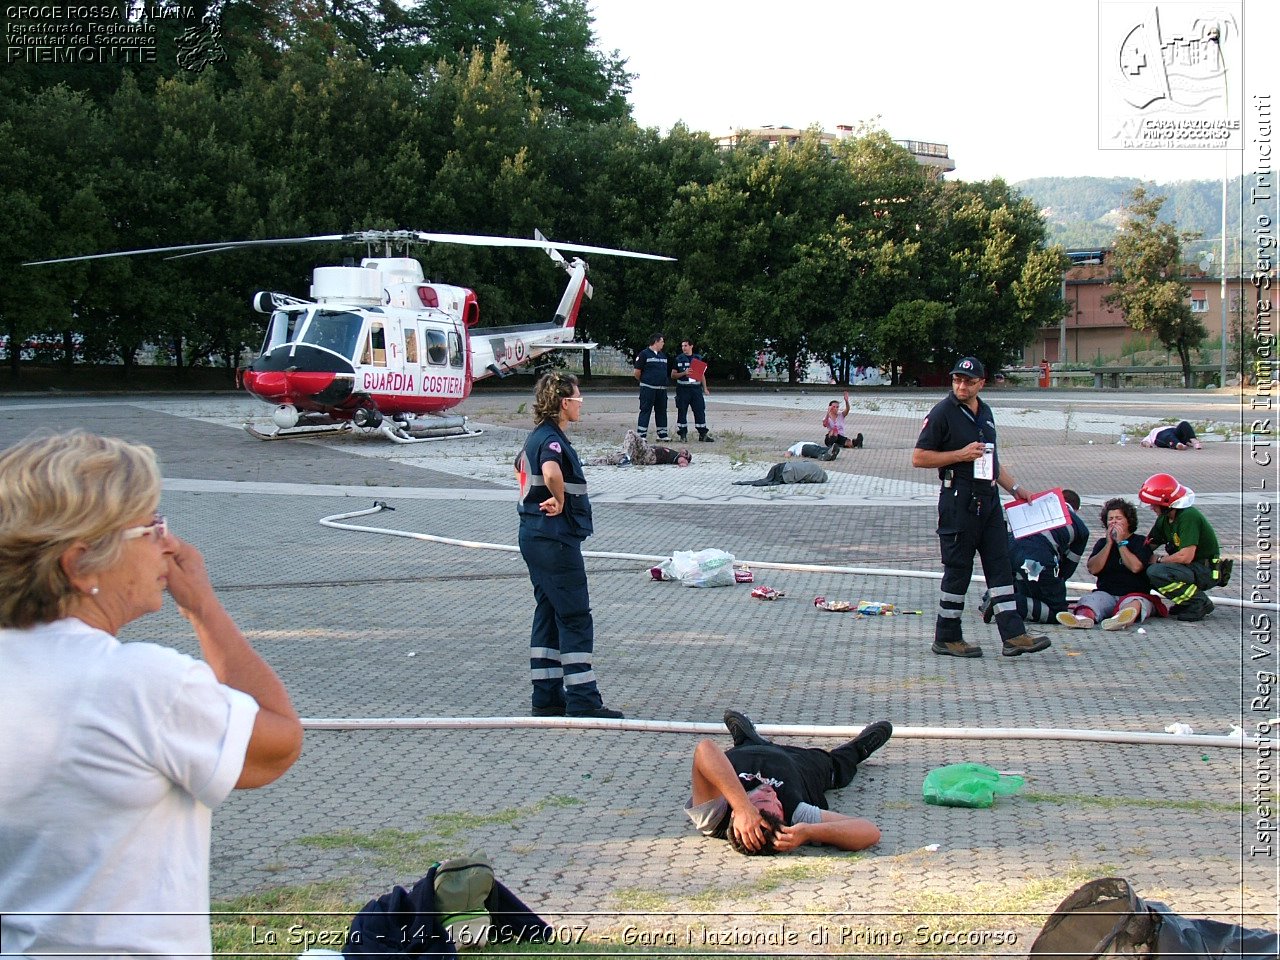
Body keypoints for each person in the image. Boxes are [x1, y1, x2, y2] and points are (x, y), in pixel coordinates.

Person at [0, 431, 303, 958]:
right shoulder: (138, 684)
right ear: (80, 563)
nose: (169, 543)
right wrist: (204, 608)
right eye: (150, 526)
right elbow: (278, 745)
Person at [912, 357, 1051, 658]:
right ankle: (947, 636)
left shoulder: (985, 412)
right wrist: (959, 454)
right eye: (957, 380)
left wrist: (1017, 490)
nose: (961, 385)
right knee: (958, 570)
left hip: (988, 501)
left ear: (981, 384)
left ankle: (1013, 635)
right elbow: (919, 457)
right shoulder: (942, 413)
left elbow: (992, 462)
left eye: (968, 381)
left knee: (1001, 567)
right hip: (958, 500)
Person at [516, 372, 623, 718]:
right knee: (575, 616)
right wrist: (559, 499)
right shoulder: (552, 440)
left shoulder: (536, 436)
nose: (581, 405)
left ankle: (546, 696)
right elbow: (550, 472)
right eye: (578, 399)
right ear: (564, 403)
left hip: (535, 536)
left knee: (548, 612)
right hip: (555, 540)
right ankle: (583, 699)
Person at [684, 710, 888, 855]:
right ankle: (859, 748)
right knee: (838, 766)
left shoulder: (715, 818)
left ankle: (747, 737)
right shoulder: (795, 817)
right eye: (778, 804)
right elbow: (870, 831)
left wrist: (743, 807)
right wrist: (808, 831)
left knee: (748, 746)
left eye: (761, 801)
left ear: (737, 816)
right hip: (804, 763)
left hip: (748, 752)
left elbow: (705, 748)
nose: (773, 793)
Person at [984, 489, 1090, 624]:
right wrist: (1054, 588)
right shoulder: (1080, 528)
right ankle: (1004, 602)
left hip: (1008, 551)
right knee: (1058, 612)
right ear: (1076, 509)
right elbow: (1067, 568)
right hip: (1036, 561)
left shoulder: (1035, 505)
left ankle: (995, 595)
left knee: (1026, 589)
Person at [1057, 498, 1161, 631]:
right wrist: (1109, 544)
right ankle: (1083, 619)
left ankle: (1119, 620)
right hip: (1107, 593)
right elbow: (1093, 569)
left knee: (1136, 604)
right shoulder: (1102, 543)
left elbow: (1136, 567)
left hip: (1134, 594)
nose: (1114, 522)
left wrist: (1121, 543)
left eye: (1118, 518)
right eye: (1110, 519)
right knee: (1089, 601)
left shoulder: (1140, 542)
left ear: (1128, 521)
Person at [1138, 472, 1224, 622]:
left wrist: (1158, 559)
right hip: (1189, 568)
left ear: (1166, 503)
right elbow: (1147, 545)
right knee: (1143, 570)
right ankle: (1184, 601)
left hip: (1204, 569)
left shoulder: (1188, 517)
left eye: (1154, 504)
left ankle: (1198, 602)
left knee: (1156, 572)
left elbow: (1186, 556)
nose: (1151, 508)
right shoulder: (1165, 519)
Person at [672, 338, 715, 442]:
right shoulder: (678, 359)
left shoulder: (698, 358)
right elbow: (673, 375)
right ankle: (683, 434)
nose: (683, 348)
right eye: (682, 346)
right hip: (683, 389)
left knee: (699, 410)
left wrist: (705, 388)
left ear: (691, 346)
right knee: (682, 411)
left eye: (685, 346)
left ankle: (703, 434)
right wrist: (684, 373)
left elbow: (702, 375)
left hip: (696, 389)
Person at [633, 332, 670, 441]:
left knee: (662, 411)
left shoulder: (663, 355)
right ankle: (641, 435)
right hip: (648, 389)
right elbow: (637, 372)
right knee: (645, 410)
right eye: (662, 341)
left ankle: (662, 434)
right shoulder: (644, 354)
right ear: (656, 342)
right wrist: (645, 381)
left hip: (661, 389)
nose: (663, 344)